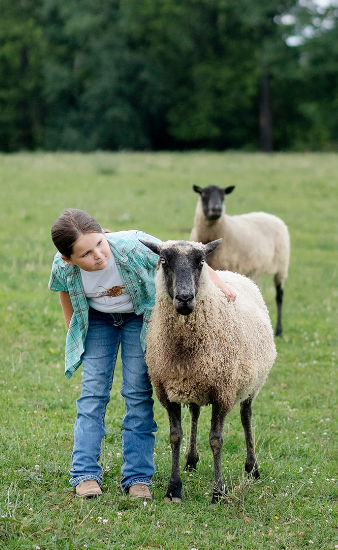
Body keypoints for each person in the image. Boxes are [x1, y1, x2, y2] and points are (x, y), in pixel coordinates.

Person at [48, 208, 236, 500]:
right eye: (85, 254)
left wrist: (221, 285)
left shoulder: (133, 247)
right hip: (98, 322)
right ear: (68, 259)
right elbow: (65, 294)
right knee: (93, 393)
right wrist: (75, 335)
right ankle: (85, 474)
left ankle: (137, 477)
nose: (97, 255)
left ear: (104, 234)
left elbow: (186, 255)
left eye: (99, 243)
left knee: (137, 392)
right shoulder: (62, 267)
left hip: (140, 318)